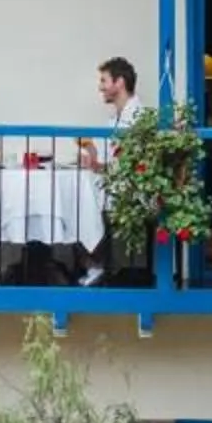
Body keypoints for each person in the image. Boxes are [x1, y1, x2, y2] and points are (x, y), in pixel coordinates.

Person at [77, 57, 144, 284]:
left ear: (120, 82)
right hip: (117, 182)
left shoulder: (137, 118)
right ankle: (93, 262)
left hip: (132, 188)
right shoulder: (115, 118)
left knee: (85, 195)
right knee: (83, 190)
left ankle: (95, 263)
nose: (100, 87)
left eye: (104, 81)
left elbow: (131, 163)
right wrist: (93, 160)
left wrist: (99, 165)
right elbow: (111, 161)